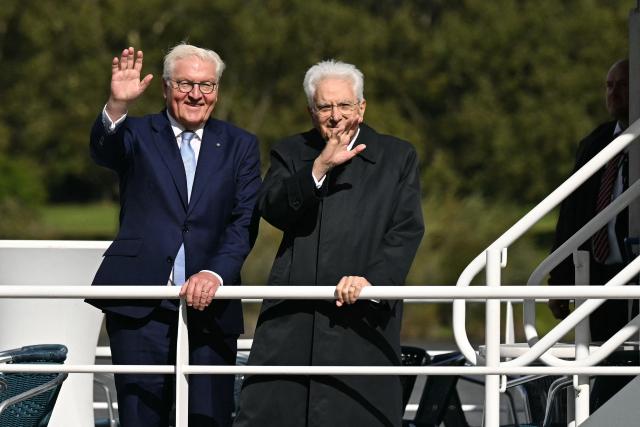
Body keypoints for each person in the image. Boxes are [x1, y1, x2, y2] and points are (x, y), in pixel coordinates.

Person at [233, 60, 424, 427]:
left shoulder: (397, 156)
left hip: (363, 315)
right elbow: (273, 209)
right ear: (311, 111)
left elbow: (407, 229)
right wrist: (318, 168)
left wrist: (372, 281)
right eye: (325, 107)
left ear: (362, 107)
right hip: (295, 317)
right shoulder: (290, 152)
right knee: (272, 412)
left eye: (344, 105)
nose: (335, 116)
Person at [87, 44, 261, 427]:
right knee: (140, 417)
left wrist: (215, 273)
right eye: (185, 83)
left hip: (211, 305)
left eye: (206, 85)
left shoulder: (240, 144)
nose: (196, 94)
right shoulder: (135, 132)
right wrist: (116, 105)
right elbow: (105, 150)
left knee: (209, 417)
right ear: (165, 87)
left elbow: (244, 219)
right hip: (140, 303)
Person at [548, 58, 637, 410]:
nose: (613, 93)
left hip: (635, 278)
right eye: (609, 86)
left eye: (623, 85)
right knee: (602, 371)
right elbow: (571, 215)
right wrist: (559, 278)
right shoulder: (596, 143)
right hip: (599, 278)